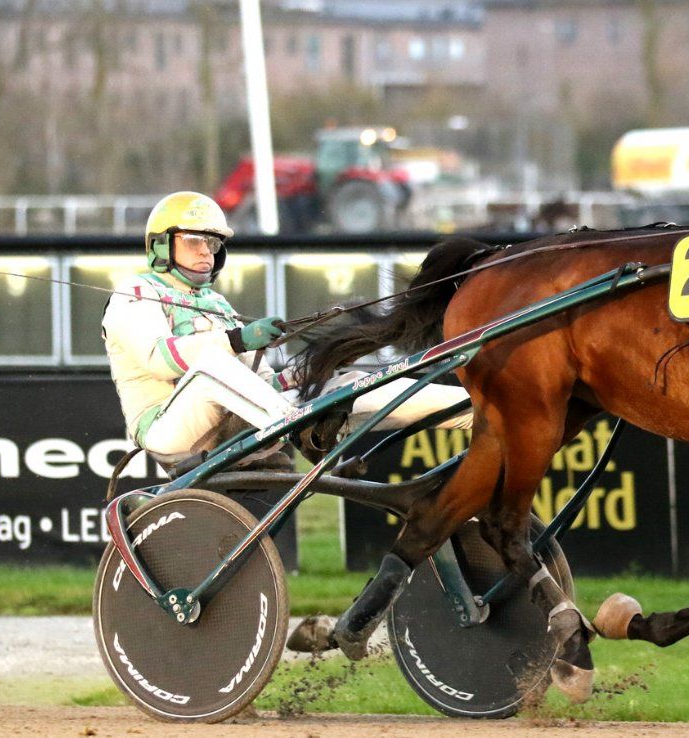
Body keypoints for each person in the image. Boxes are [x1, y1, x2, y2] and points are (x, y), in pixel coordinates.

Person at [102, 191, 470, 655]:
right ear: (161, 245)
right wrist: (237, 338)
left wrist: (303, 371)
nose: (206, 253)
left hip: (239, 421)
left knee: (346, 380)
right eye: (195, 241)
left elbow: (257, 377)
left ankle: (471, 411)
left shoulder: (213, 302)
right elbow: (162, 359)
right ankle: (294, 425)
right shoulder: (133, 293)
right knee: (214, 365)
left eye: (213, 244)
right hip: (170, 428)